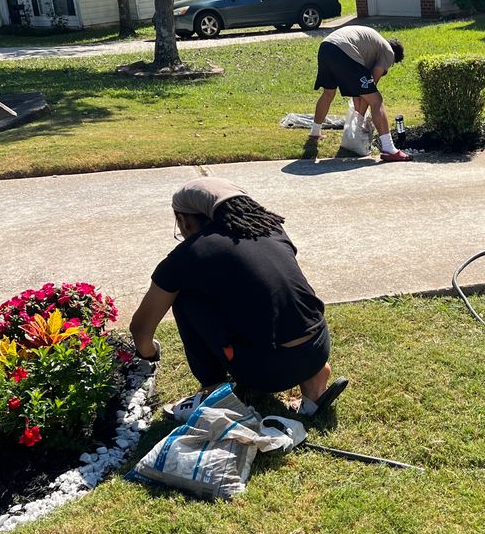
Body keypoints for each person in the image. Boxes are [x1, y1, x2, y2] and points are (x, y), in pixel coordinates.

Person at [130, 177, 347, 419]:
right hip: (317, 348)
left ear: (184, 220)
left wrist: (149, 353)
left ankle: (213, 390)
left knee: (183, 296)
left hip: (266, 370)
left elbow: (140, 330)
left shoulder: (188, 255)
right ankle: (314, 384)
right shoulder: (270, 227)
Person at [309, 24, 411, 162]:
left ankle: (315, 133)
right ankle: (389, 149)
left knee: (328, 93)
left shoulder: (371, 44)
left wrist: (358, 118)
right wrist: (359, 123)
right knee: (376, 100)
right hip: (343, 51)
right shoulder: (388, 52)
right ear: (394, 58)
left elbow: (359, 92)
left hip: (326, 47)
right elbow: (370, 89)